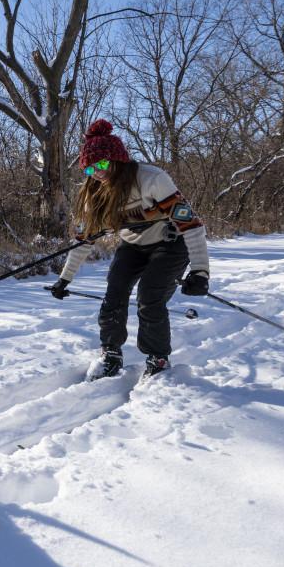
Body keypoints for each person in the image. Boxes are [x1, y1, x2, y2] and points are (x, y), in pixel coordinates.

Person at [49, 119, 210, 379]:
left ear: (118, 159)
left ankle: (158, 361)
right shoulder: (95, 194)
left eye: (101, 164)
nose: (98, 173)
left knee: (149, 295)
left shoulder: (151, 179)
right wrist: (64, 279)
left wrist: (201, 272)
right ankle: (110, 354)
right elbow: (83, 240)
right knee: (114, 292)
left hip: (170, 244)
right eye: (90, 169)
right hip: (133, 245)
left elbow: (191, 225)